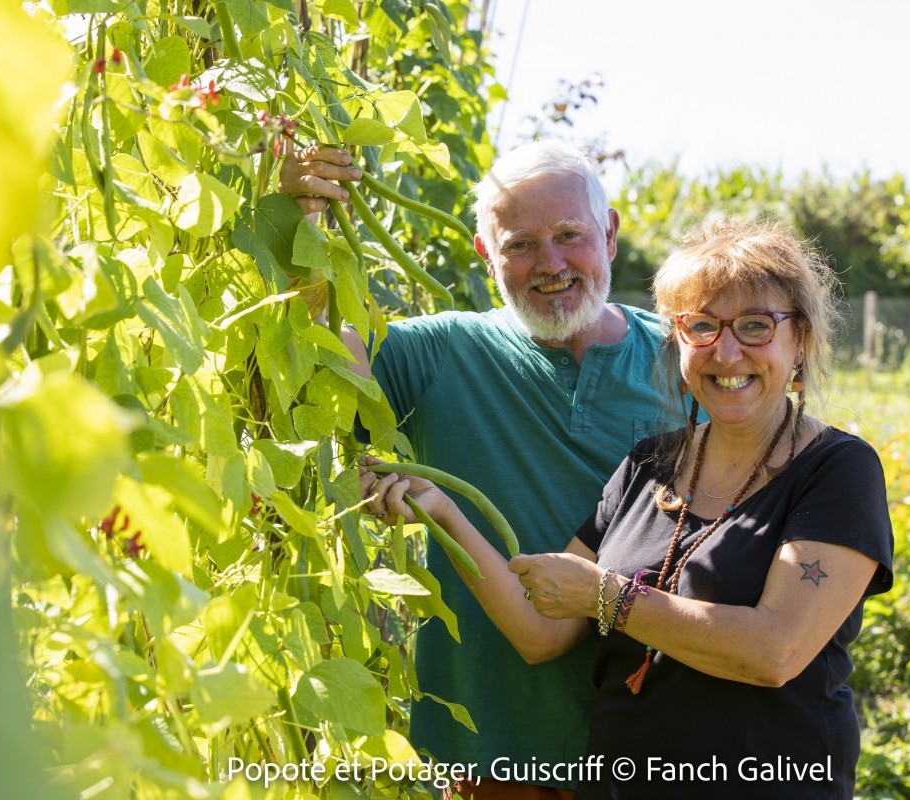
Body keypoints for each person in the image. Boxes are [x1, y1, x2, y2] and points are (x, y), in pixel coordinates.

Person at [362, 216, 895, 799]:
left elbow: (774, 651)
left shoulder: (836, 471)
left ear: (801, 341)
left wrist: (605, 596)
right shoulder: (648, 467)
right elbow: (542, 631)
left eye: (755, 326)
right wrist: (443, 512)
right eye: (701, 326)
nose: (727, 349)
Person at [281, 140, 689, 798]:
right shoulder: (443, 351)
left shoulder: (686, 366)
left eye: (569, 235)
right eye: (520, 244)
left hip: (651, 754)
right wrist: (297, 216)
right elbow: (314, 354)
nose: (550, 264)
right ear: (484, 254)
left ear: (609, 234)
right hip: (492, 759)